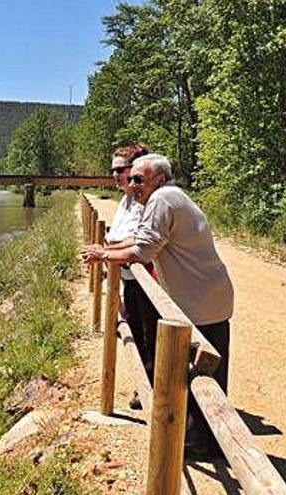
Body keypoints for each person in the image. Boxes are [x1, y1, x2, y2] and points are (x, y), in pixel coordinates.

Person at [81, 154, 234, 458]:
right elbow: (141, 240)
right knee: (204, 372)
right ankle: (202, 441)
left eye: (139, 178)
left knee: (199, 372)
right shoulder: (169, 197)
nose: (132, 184)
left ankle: (200, 444)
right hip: (207, 295)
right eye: (132, 178)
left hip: (201, 298)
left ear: (159, 179)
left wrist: (103, 255)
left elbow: (144, 250)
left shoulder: (161, 201)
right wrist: (107, 249)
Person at [105, 144, 160, 410]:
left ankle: (149, 392)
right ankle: (144, 387)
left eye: (120, 169)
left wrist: (105, 252)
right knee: (135, 331)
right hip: (128, 277)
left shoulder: (143, 201)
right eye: (113, 170)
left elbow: (138, 239)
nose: (115, 174)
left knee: (149, 337)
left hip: (145, 279)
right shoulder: (126, 200)